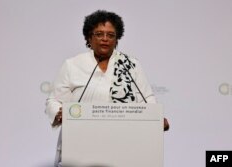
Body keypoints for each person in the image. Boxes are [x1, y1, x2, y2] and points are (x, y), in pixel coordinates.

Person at [45, 10, 169, 167]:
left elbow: (148, 99)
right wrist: (58, 113)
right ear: (89, 37)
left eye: (111, 35)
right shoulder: (73, 65)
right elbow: (54, 100)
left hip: (123, 144)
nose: (105, 39)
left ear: (116, 40)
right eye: (99, 34)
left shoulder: (130, 65)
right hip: (80, 144)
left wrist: (156, 119)